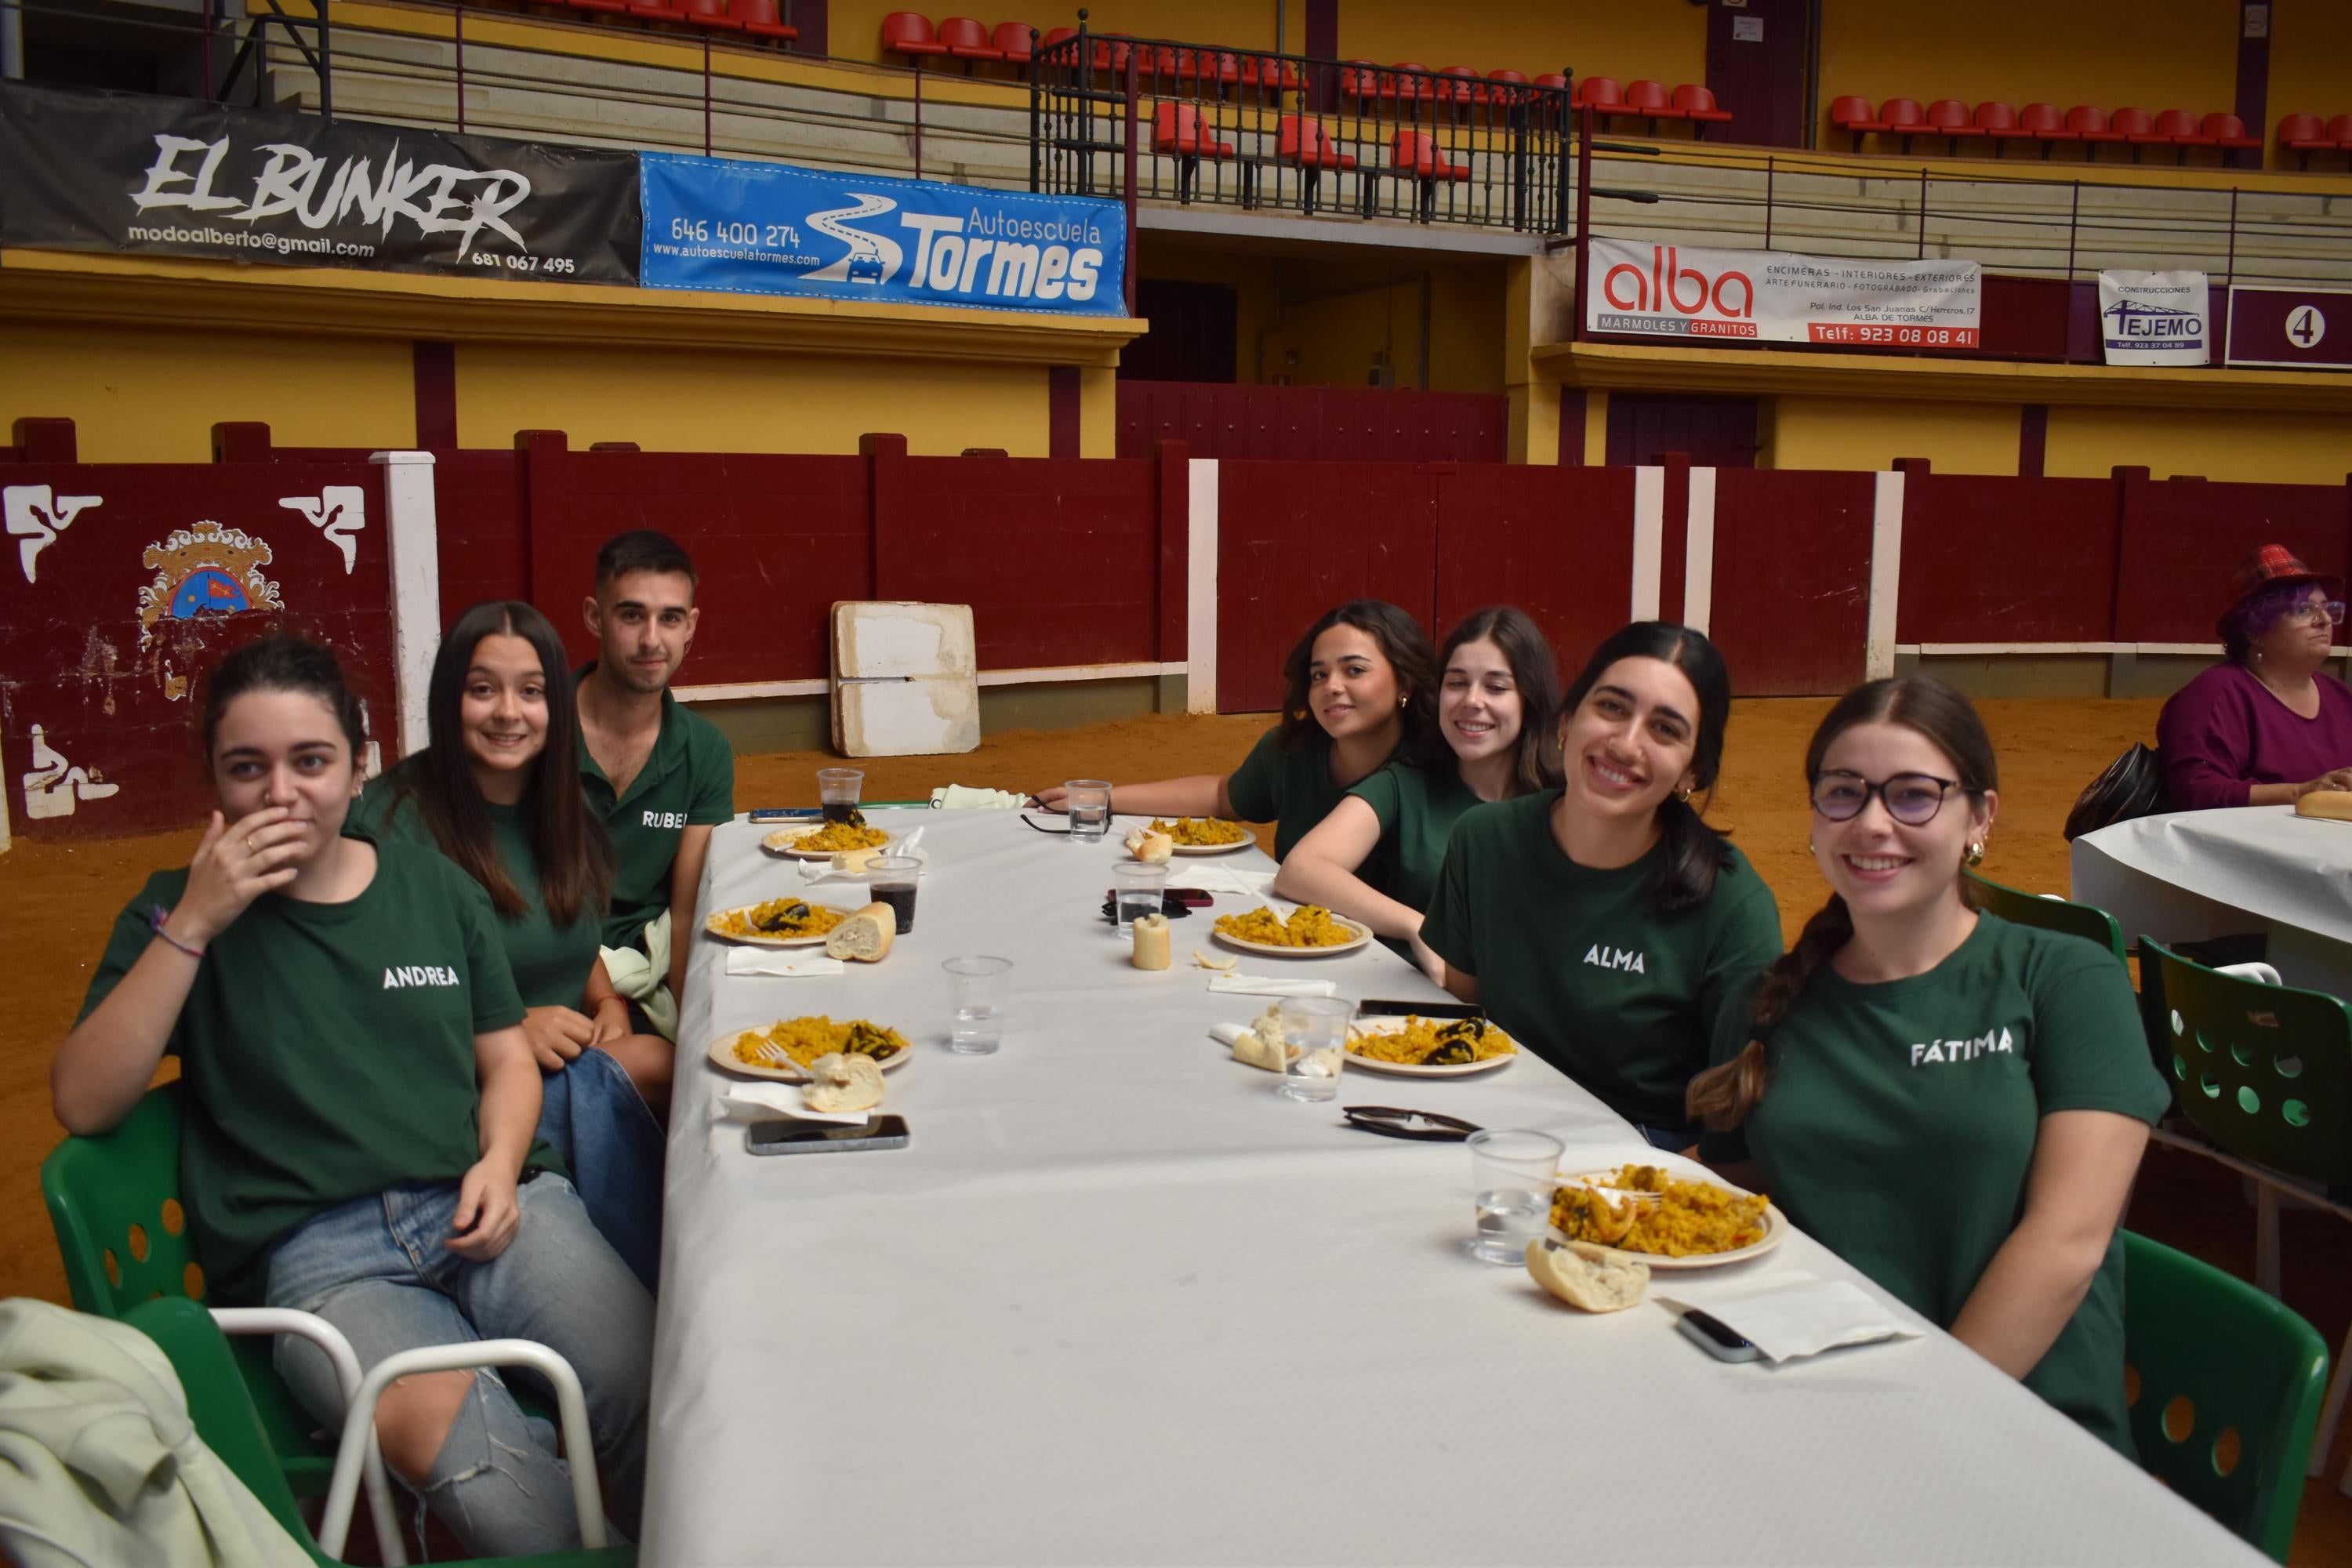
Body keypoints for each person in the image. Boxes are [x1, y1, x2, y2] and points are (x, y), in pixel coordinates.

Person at [53, 634, 652, 1556]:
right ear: (210, 775)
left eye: (312, 760)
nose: (281, 792)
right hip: (321, 1258)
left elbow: (506, 1061)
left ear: (361, 764)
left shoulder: (433, 889)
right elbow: (84, 1103)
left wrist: (499, 1163)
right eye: (246, 767)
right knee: (486, 1470)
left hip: (489, 1200)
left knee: (658, 1375)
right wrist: (198, 924)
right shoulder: (169, 907)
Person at [1688, 675, 2165, 1455]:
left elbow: (2069, 1239)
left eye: (1914, 795)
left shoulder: (2065, 979)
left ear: (1980, 817)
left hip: (2015, 1432)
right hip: (1807, 1408)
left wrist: (1921, 1420)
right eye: (1844, 792)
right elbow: (1731, 1188)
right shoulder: (1766, 1000)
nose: (1873, 822)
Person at [351, 601, 667, 1291]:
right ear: (448, 699)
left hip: (554, 1056)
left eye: (531, 692)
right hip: (454, 1091)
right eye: (482, 689)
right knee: (654, 1066)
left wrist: (604, 995)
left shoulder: (562, 807)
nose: (508, 713)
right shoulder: (392, 825)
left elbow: (561, 925)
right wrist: (507, 1028)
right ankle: (657, 1284)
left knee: (670, 1066)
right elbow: (367, 998)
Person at [1418, 622, 1782, 1149]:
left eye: (1665, 729)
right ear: (1567, 720)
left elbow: (1735, 1129)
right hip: (1491, 1124)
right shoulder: (1484, 841)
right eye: (1611, 707)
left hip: (1637, 1152)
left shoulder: (1732, 905)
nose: (1625, 743)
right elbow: (1471, 1016)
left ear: (1692, 773)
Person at [1274, 606, 1563, 976]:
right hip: (1422, 1007)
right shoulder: (1405, 782)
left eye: (1496, 687)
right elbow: (1300, 869)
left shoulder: (1565, 800)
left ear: (1530, 699)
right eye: (1457, 682)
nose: (1472, 701)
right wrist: (1419, 927)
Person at [1034, 599, 1438, 859]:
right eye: (1318, 674)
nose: (1331, 686)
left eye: (1354, 670)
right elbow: (1224, 796)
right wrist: (1100, 798)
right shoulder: (1294, 750)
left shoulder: (1439, 772)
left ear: (1405, 681)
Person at [575, 530, 737, 1073]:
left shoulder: (704, 749)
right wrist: (605, 1000)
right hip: (543, 964)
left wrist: (700, 1029)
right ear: (596, 618)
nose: (651, 640)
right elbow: (528, 898)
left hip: (644, 974)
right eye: (631, 616)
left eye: (669, 618)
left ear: (690, 626)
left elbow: (689, 908)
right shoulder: (534, 731)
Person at [2158, 543, 2352, 809]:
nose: (2325, 620)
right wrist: (2300, 793)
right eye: (2304, 610)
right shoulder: (2217, 694)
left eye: (2327, 609)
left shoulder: (2339, 695)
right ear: (2255, 630)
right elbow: (2195, 791)